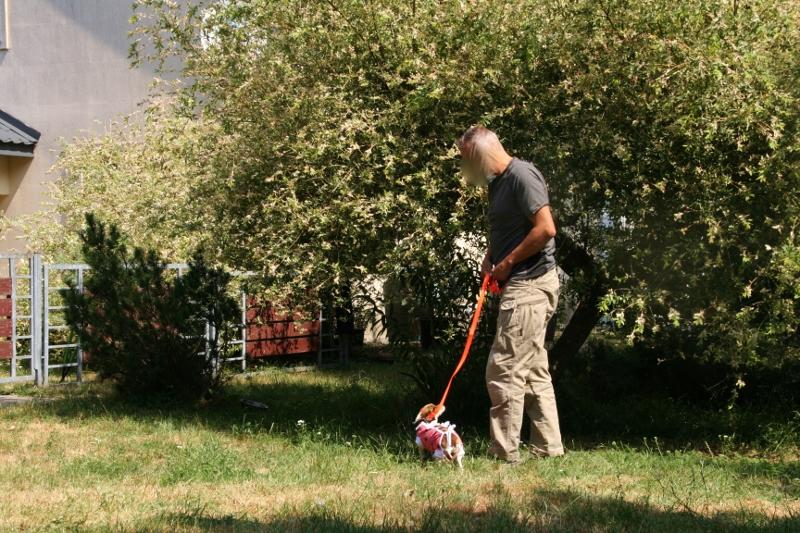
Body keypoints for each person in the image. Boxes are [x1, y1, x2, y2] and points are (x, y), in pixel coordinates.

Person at [457, 125, 563, 464]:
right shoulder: (498, 182)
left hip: (530, 285)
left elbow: (546, 228)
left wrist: (508, 263)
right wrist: (491, 256)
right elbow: (506, 228)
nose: (466, 169)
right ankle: (548, 449)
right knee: (532, 370)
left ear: (480, 155)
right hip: (520, 285)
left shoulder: (521, 176)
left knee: (504, 369)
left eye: (466, 161)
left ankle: (504, 455)